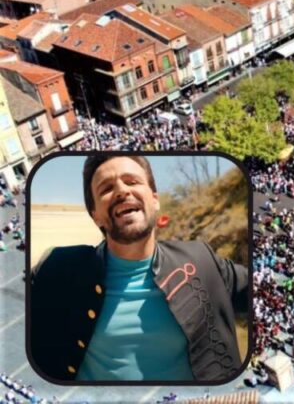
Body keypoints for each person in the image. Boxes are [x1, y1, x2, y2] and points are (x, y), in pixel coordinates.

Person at [30, 155, 249, 382]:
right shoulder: (58, 268)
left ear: (155, 199)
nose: (122, 191)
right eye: (106, 188)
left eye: (132, 182)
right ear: (96, 216)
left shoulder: (201, 259)